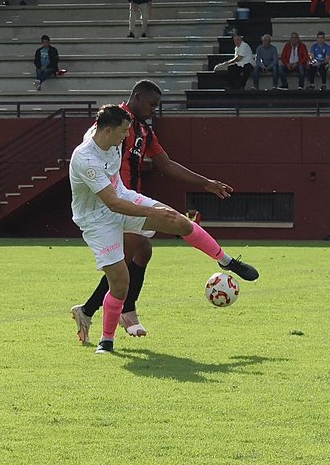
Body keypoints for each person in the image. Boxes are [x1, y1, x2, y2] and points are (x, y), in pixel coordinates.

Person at [69, 103, 258, 353]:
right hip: (98, 219)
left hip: (123, 196)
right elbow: (113, 204)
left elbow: (113, 122)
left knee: (176, 220)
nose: (127, 136)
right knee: (120, 282)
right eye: (123, 131)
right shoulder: (86, 158)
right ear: (106, 131)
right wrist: (151, 211)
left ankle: (226, 261)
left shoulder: (106, 131)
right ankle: (107, 340)